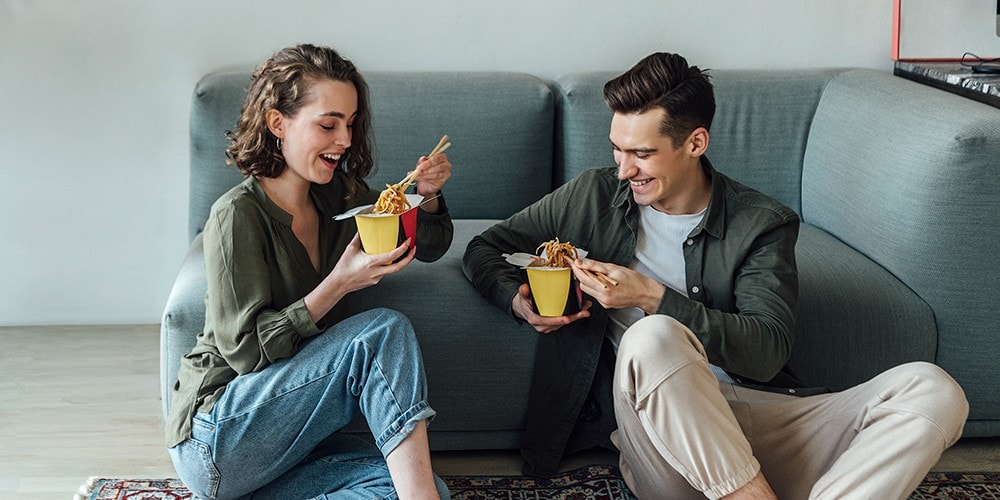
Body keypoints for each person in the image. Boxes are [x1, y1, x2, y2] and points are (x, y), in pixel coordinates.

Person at [462, 52, 969, 499]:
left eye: (641, 154)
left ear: (696, 142)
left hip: (759, 417)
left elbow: (768, 351)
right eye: (617, 149)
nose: (623, 169)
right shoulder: (592, 195)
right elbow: (485, 248)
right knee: (652, 336)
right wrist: (518, 302)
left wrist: (651, 294)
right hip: (662, 443)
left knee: (934, 389)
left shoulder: (760, 224)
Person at [165, 44, 454, 500]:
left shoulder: (340, 197)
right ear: (278, 123)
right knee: (382, 331)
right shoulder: (236, 216)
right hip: (217, 438)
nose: (344, 139)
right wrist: (339, 283)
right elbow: (245, 353)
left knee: (404, 486)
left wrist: (427, 194)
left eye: (351, 124)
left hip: (288, 446)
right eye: (328, 124)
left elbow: (430, 244)